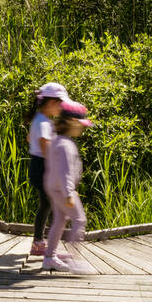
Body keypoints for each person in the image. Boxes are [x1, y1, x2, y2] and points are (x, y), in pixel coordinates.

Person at [43, 99, 92, 273]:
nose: (82, 127)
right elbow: (64, 172)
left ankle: (50, 256)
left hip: (54, 187)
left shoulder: (58, 141)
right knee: (79, 220)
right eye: (81, 124)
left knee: (59, 220)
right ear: (71, 122)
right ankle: (75, 260)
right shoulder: (65, 144)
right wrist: (69, 193)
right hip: (63, 190)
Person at [27, 82, 69, 257]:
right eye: (61, 104)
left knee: (46, 204)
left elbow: (30, 139)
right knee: (51, 205)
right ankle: (46, 246)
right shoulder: (43, 122)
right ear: (52, 103)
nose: (62, 108)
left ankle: (40, 243)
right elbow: (44, 144)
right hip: (44, 166)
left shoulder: (39, 119)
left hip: (37, 165)